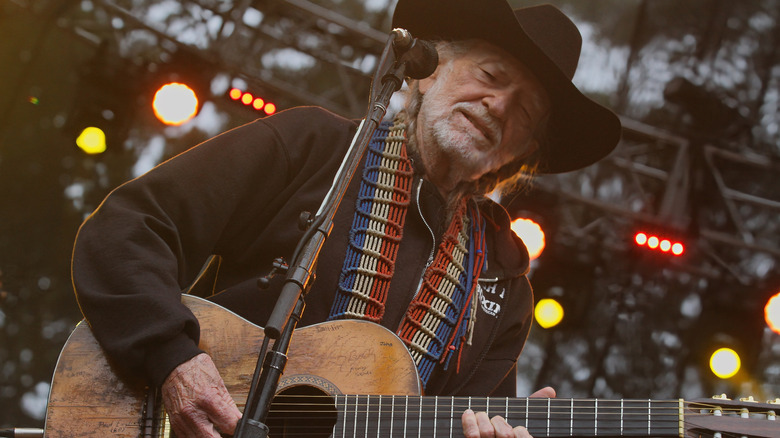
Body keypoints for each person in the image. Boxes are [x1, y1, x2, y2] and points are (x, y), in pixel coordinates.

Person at [70, 0, 621, 437]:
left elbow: (467, 425)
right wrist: (172, 359)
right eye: (490, 74)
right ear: (428, 72)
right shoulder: (315, 146)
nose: (498, 106)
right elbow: (129, 227)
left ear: (520, 154)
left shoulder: (504, 281)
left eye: (524, 111)